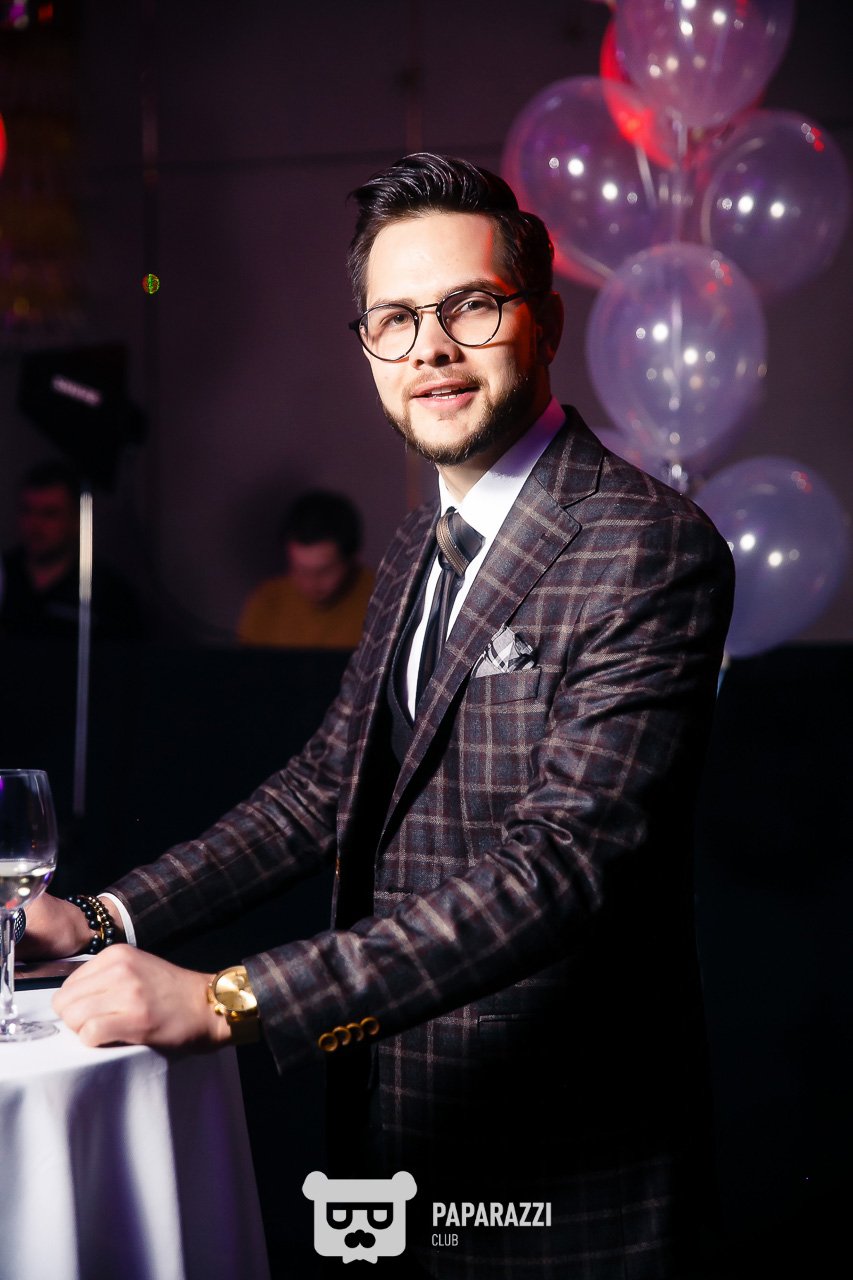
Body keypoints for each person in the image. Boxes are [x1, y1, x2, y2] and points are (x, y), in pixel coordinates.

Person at [24, 154, 734, 1278]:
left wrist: (231, 998)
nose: (430, 348)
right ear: (366, 348)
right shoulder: (414, 542)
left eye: (469, 306)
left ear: (544, 322)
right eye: (395, 320)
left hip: (561, 1159)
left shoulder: (645, 543)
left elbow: (559, 870)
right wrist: (104, 917)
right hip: (397, 1131)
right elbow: (325, 790)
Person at [0, 459, 144, 641]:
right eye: (27, 511)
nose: (35, 524)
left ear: (76, 519)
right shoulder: (5, 574)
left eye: (49, 514)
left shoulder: (108, 593)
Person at [237, 489, 374, 648]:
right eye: (300, 570)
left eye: (324, 572)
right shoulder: (268, 600)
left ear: (351, 558)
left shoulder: (378, 600)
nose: (311, 583)